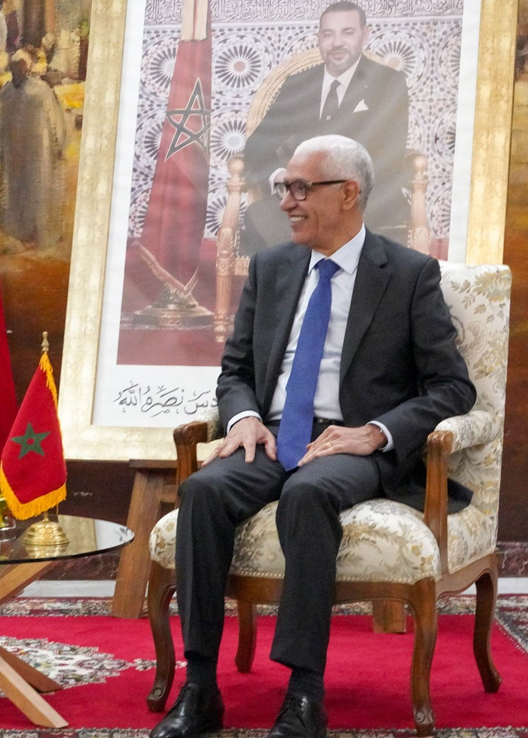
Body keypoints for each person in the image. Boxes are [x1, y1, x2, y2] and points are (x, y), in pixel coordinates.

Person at [150, 134, 475, 738]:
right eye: (284, 187)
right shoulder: (272, 267)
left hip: (349, 442)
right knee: (202, 490)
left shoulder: (407, 274)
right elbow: (235, 371)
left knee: (308, 493)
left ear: (348, 193)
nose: (286, 202)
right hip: (273, 433)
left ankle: (304, 695)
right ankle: (200, 688)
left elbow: (452, 387)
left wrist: (376, 433)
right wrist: (242, 417)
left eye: (301, 189)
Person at [240, 1, 411, 253]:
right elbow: (257, 146)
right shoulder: (299, 84)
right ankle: (293, 278)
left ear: (364, 35)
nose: (337, 43)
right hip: (302, 200)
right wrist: (280, 177)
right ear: (319, 38)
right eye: (328, 34)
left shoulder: (387, 83)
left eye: (347, 32)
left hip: (361, 201)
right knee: (258, 218)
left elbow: (390, 155)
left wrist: (334, 194)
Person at [0, 50, 68, 247]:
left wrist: (59, 144)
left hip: (39, 152)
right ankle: (19, 233)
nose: (18, 70)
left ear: (27, 67)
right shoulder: (6, 93)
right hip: (14, 153)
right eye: (14, 67)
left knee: (37, 190)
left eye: (21, 66)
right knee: (16, 193)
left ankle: (39, 234)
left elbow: (56, 120)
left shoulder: (42, 91)